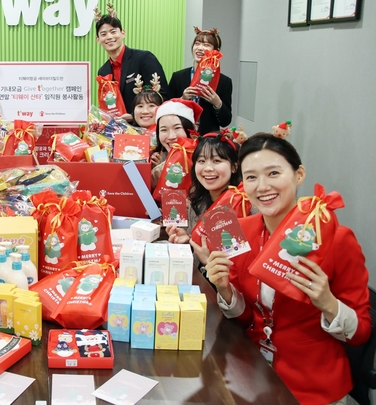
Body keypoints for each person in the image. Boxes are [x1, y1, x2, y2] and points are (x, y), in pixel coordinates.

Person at [205, 133, 371, 404]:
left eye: (273, 173)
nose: (262, 186)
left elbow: (360, 333)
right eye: (251, 177)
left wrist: (328, 303)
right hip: (252, 371)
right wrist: (224, 289)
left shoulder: (336, 239)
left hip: (314, 386)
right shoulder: (241, 230)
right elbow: (245, 318)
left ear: (299, 174)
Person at [167, 132, 247, 271]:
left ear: (234, 167)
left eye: (217, 161)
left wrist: (208, 261)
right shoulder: (197, 201)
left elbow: (243, 267)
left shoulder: (244, 205)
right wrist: (188, 240)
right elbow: (197, 255)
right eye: (201, 161)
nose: (208, 168)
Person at [95, 5, 169, 120]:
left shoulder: (144, 58)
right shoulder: (103, 71)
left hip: (145, 125)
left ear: (123, 33)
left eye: (113, 32)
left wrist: (133, 116)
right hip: (117, 127)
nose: (109, 37)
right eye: (103, 34)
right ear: (98, 39)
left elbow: (163, 95)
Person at [167, 27, 232, 135]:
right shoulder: (178, 77)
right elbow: (167, 110)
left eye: (206, 45)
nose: (200, 48)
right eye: (197, 44)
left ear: (216, 51)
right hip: (182, 135)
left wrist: (217, 103)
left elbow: (225, 121)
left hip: (208, 139)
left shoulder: (224, 81)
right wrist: (182, 99)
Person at [150, 98, 202, 189]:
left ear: (191, 130)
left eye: (177, 128)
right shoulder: (157, 172)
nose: (171, 136)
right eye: (164, 130)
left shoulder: (205, 166)